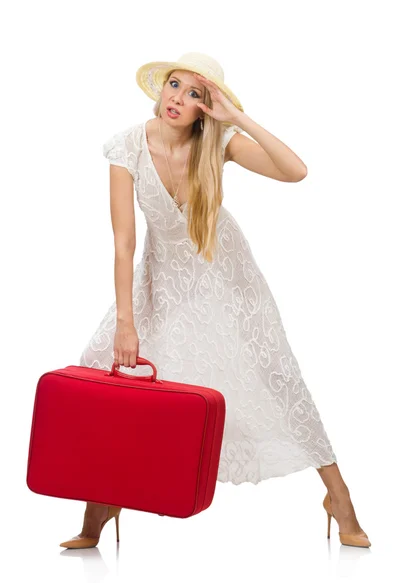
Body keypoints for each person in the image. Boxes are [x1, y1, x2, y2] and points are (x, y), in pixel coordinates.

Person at [59, 52, 371, 549]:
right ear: (160, 90)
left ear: (208, 107)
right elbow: (124, 242)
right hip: (162, 279)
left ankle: (341, 500)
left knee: (275, 377)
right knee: (112, 375)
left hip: (228, 277)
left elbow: (297, 171)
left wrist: (237, 117)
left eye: (193, 94)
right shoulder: (127, 146)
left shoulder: (218, 142)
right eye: (173, 86)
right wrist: (126, 319)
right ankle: (99, 509)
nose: (177, 99)